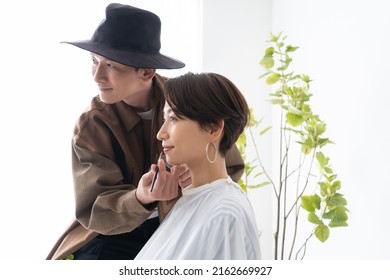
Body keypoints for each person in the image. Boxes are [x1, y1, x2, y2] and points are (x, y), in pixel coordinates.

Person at [46, 3, 245, 260]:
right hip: (110, 236)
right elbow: (94, 211)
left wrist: (195, 177)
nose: (97, 76)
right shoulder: (92, 124)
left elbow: (228, 166)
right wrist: (141, 197)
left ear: (147, 72)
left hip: (179, 221)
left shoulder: (188, 101)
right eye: (94, 61)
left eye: (112, 66)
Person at [135, 72, 261, 260]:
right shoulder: (191, 199)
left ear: (213, 128)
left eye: (174, 119)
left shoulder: (224, 212)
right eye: (164, 119)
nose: (161, 134)